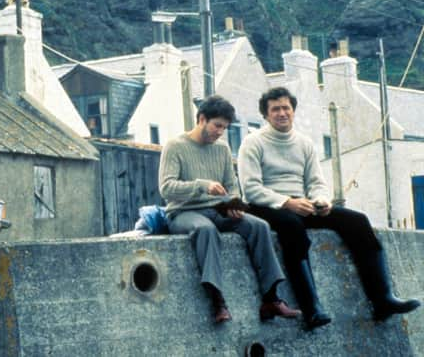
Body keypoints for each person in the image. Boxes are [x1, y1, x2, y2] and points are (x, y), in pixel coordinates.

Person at [238, 86, 421, 330]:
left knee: (357, 221)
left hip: (302, 203)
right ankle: (312, 309)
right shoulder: (253, 142)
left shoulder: (304, 143)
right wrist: (286, 202)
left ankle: (382, 299)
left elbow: (316, 182)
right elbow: (251, 188)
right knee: (292, 228)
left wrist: (321, 200)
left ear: (293, 111)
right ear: (266, 115)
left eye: (286, 108)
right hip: (267, 205)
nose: (282, 113)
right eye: (275, 109)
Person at [159, 94, 300, 324]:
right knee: (205, 230)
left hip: (218, 210)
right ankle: (217, 301)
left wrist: (234, 203)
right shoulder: (175, 146)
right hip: (183, 212)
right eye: (217, 126)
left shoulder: (222, 149)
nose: (220, 132)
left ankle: (271, 298)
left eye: (224, 128)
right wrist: (202, 185)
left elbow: (232, 185)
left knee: (258, 226)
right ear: (201, 119)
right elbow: (166, 188)